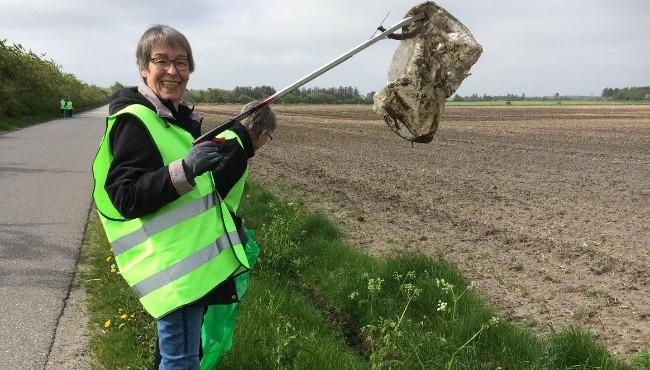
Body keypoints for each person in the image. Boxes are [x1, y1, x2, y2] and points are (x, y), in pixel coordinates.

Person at [91, 24, 276, 370]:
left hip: (187, 270)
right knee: (180, 363)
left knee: (176, 359)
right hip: (174, 273)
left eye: (182, 62)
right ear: (144, 69)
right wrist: (184, 170)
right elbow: (126, 196)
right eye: (162, 61)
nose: (173, 71)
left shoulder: (173, 120)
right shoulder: (136, 121)